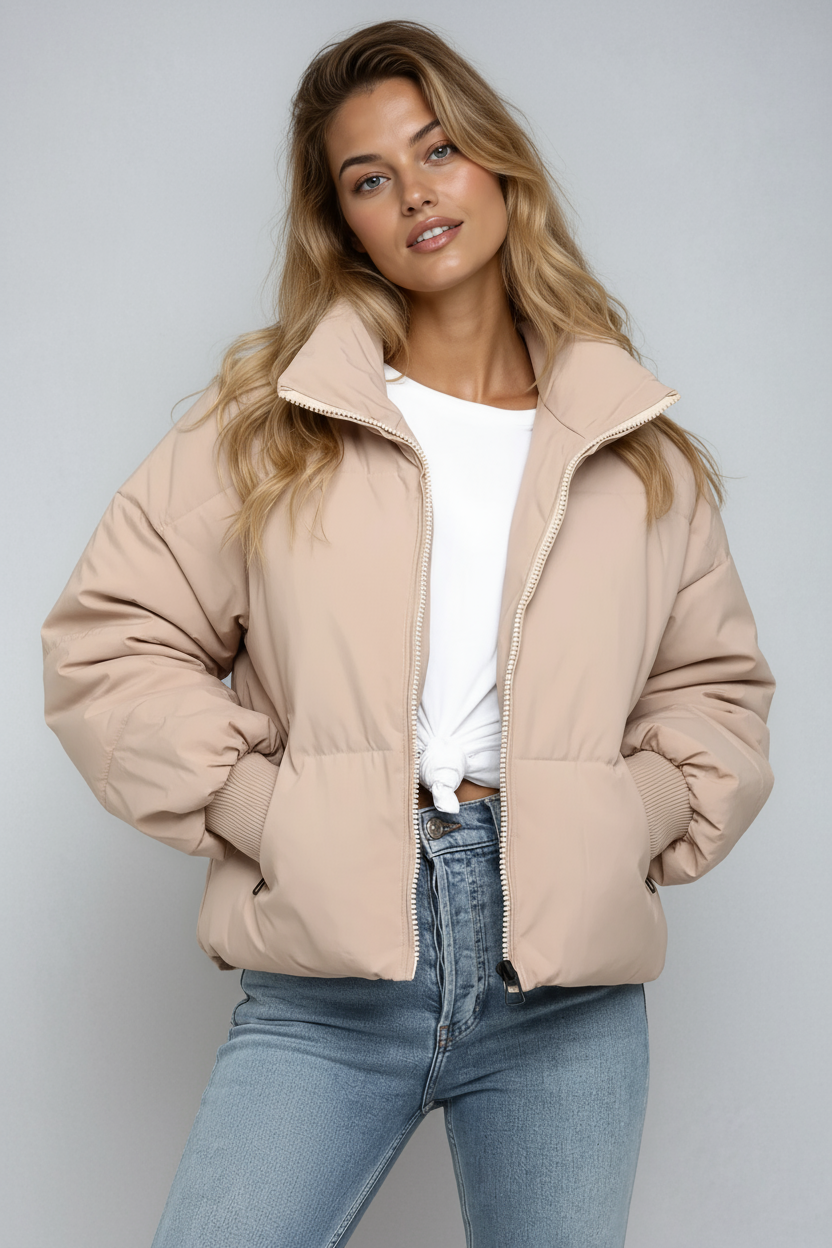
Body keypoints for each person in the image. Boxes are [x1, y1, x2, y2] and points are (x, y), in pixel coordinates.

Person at [40, 19, 776, 1248]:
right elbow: (108, 642)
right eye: (368, 178)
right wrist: (268, 810)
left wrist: (628, 811)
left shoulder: (627, 443)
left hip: (565, 993)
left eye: (438, 151)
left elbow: (713, 689)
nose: (416, 194)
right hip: (329, 980)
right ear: (341, 223)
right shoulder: (275, 419)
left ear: (497, 163)